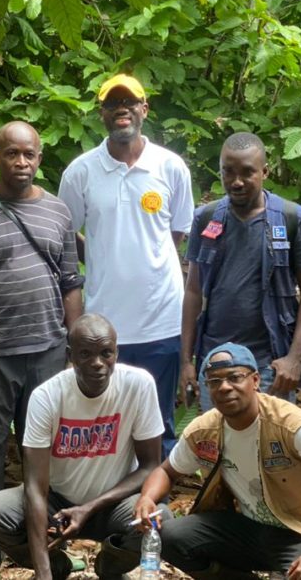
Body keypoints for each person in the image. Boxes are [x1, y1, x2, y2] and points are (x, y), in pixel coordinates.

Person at [0, 121, 84, 580]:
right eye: (11, 154)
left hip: (47, 351)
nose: (21, 162)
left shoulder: (59, 213)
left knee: (41, 455)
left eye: (28, 154)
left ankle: (39, 547)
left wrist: (75, 349)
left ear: (40, 158)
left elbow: (71, 284)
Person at [135, 343, 301, 580]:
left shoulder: (288, 423)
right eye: (214, 382)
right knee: (171, 535)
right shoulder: (205, 430)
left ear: (255, 381)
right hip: (248, 529)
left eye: (234, 377)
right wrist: (147, 498)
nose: (224, 387)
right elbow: (166, 471)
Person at [57, 74, 193, 455]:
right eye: (113, 103)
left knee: (160, 420)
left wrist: (144, 259)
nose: (122, 109)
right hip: (105, 326)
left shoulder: (171, 167)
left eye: (130, 102)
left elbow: (176, 234)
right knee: (107, 422)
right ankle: (110, 505)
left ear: (144, 110)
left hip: (162, 320)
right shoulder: (81, 172)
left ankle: (155, 506)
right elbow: (66, 235)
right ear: (101, 113)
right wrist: (101, 257)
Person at [0, 314, 162, 580]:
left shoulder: (138, 385)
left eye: (106, 353)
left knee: (158, 518)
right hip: (57, 503)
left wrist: (90, 508)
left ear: (116, 353)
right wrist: (44, 573)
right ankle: (56, 564)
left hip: (114, 502)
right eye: (86, 354)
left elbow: (151, 465)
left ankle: (111, 567)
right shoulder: (47, 396)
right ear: (71, 355)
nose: (97, 363)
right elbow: (36, 487)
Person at [180, 132, 301, 410]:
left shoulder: (293, 219)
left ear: (264, 171)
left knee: (272, 447)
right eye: (228, 172)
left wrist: (295, 357)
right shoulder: (205, 218)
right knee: (222, 447)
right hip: (216, 362)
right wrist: (186, 361)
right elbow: (194, 290)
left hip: (270, 363)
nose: (236, 182)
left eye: (247, 173)